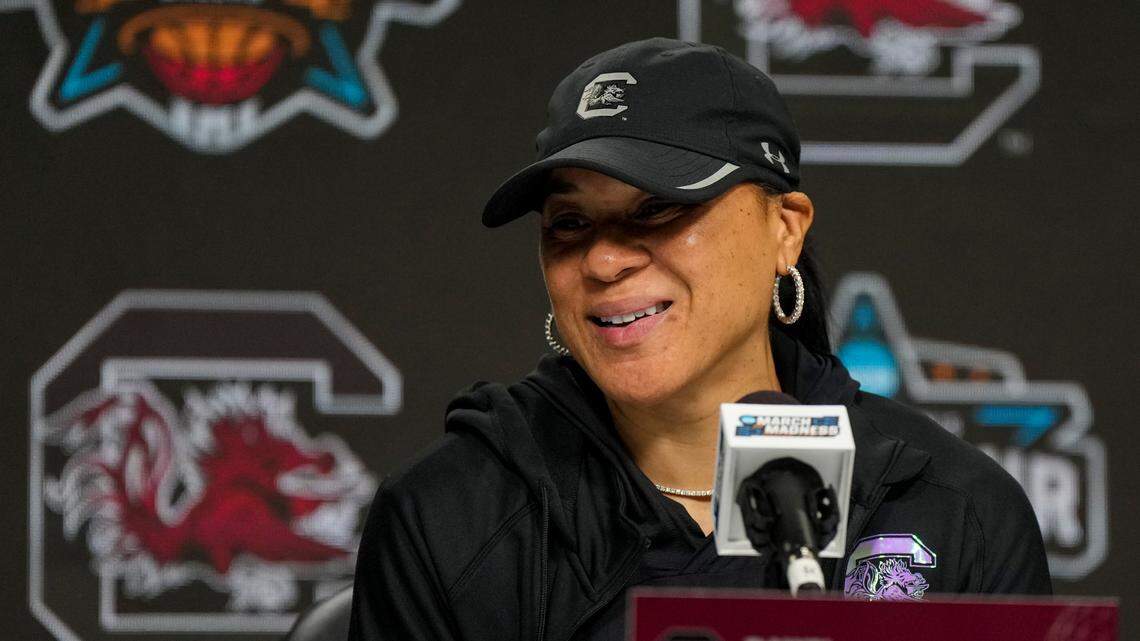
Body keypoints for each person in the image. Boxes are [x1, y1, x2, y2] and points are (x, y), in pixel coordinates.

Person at [347, 37, 1050, 641]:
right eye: (569, 224)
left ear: (784, 227)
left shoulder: (954, 507)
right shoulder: (449, 516)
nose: (603, 259)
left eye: (659, 208)